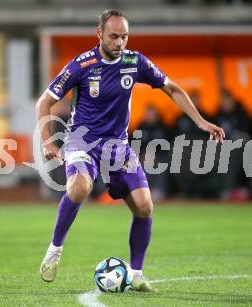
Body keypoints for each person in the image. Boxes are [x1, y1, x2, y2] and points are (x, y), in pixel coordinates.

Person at [36, 9, 225, 292]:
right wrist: (48, 141)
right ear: (99, 34)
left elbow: (171, 88)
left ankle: (136, 274)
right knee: (78, 188)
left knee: (145, 207)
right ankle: (54, 251)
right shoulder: (81, 65)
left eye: (124, 36)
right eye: (114, 36)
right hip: (82, 141)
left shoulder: (135, 62)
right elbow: (44, 103)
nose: (120, 42)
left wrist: (200, 122)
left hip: (118, 146)